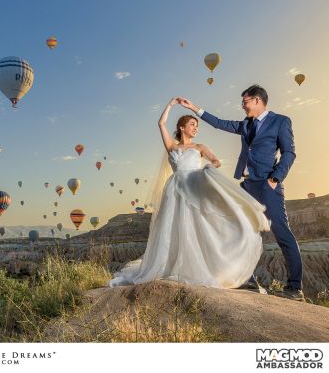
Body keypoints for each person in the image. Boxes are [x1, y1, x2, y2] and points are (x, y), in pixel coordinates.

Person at [108, 97, 270, 289]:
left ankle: (202, 267)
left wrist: (209, 168)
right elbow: (161, 124)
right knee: (172, 227)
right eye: (192, 124)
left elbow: (216, 161)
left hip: (194, 186)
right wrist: (170, 105)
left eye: (197, 126)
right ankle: (170, 267)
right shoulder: (172, 147)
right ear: (182, 127)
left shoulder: (200, 147)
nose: (196, 128)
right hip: (174, 188)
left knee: (197, 225)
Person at [178, 84, 304, 301]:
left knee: (281, 233)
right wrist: (194, 108)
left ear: (257, 100)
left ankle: (295, 288)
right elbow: (220, 123)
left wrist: (275, 179)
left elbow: (289, 153)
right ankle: (248, 280)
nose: (243, 106)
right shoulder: (246, 124)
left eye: (245, 102)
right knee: (238, 230)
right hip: (246, 186)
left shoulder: (281, 121)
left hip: (267, 185)